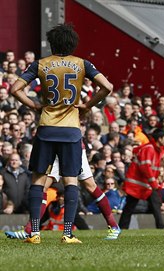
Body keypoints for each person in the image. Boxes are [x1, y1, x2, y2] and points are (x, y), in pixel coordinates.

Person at [10, 23, 112, 244]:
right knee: (70, 181)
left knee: (38, 179)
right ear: (73, 43)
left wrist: (34, 106)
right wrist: (86, 105)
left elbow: (14, 89)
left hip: (46, 127)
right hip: (71, 130)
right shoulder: (82, 64)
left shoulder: (41, 64)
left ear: (52, 43)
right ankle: (67, 234)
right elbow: (107, 87)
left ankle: (34, 233)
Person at [5, 144, 122, 240]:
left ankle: (113, 226)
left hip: (72, 146)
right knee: (42, 187)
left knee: (90, 186)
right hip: (55, 148)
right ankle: (29, 230)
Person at [119, 129, 164, 229]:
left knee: (154, 204)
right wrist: (153, 182)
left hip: (144, 184)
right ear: (159, 139)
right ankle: (121, 227)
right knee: (131, 207)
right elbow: (145, 167)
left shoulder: (156, 150)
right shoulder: (150, 149)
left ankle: (161, 226)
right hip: (140, 184)